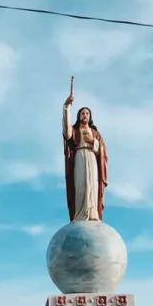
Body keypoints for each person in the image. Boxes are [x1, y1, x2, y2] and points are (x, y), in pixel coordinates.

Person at [62, 91, 109, 221]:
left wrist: (93, 142)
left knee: (92, 185)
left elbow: (104, 152)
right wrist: (67, 107)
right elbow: (67, 132)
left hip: (92, 158)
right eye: (82, 113)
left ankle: (93, 213)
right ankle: (80, 213)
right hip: (80, 157)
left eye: (87, 113)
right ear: (79, 116)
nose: (85, 115)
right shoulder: (75, 130)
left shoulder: (95, 132)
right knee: (80, 185)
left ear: (90, 116)